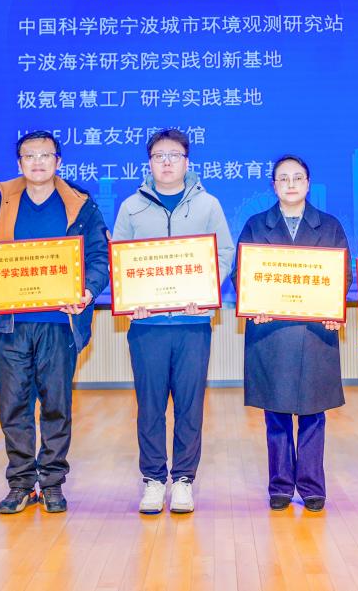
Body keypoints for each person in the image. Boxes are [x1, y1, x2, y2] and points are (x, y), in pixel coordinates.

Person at [0, 131, 110, 515]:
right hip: (10, 324)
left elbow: (99, 257)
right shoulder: (1, 206)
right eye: (29, 156)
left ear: (58, 162)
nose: (38, 162)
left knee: (56, 406)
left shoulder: (81, 206)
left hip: (60, 323)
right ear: (19, 164)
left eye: (46, 155)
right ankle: (20, 483)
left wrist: (88, 290)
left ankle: (52, 483)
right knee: (14, 406)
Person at [112, 128, 235, 514]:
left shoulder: (208, 205)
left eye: (174, 155)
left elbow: (225, 253)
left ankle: (183, 480)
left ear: (187, 161)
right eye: (159, 156)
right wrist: (131, 299)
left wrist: (207, 291)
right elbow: (119, 257)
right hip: (146, 326)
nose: (166, 162)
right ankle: (152, 479)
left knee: (189, 406)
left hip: (192, 324)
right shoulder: (131, 207)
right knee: (149, 406)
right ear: (149, 163)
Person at [237, 155, 349, 512]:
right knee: (277, 414)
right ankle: (281, 485)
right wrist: (254, 302)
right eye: (283, 178)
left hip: (315, 332)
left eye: (297, 177)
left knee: (314, 414)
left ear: (308, 184)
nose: (290, 184)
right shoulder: (256, 225)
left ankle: (313, 485)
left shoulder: (329, 225)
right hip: (271, 332)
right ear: (273, 186)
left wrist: (334, 307)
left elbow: (343, 274)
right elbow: (242, 274)